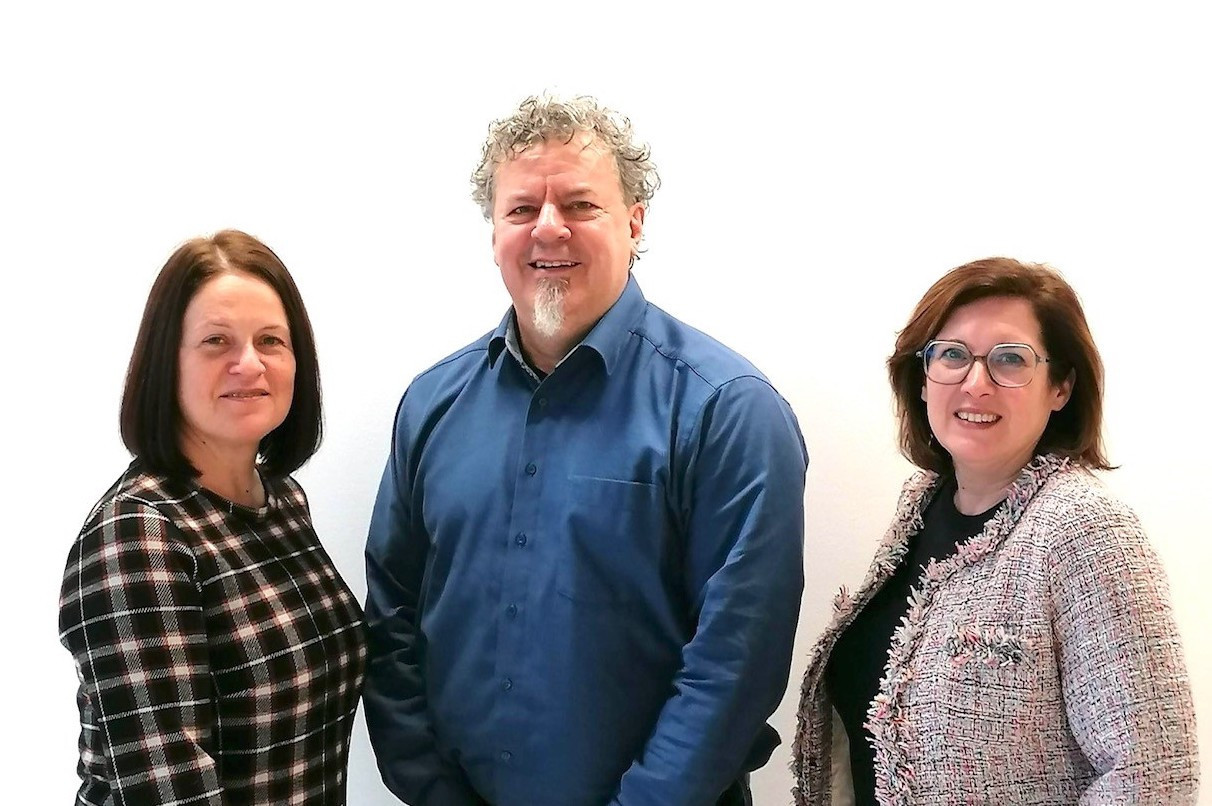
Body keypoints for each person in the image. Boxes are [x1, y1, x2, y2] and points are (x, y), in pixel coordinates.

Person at [363, 94, 808, 806]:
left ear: (634, 223)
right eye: (520, 209)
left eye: (580, 205)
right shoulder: (431, 405)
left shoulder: (726, 411)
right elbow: (390, 624)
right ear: (494, 231)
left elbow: (734, 666)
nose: (548, 228)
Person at [791, 257, 1199, 804]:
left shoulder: (1085, 530)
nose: (976, 383)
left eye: (1010, 359)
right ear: (922, 378)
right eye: (952, 355)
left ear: (1061, 387)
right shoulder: (921, 505)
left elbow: (1154, 777)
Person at [58, 230, 367, 805]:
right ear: (165, 365)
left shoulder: (284, 503)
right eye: (216, 341)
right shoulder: (138, 534)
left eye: (270, 340)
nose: (248, 364)